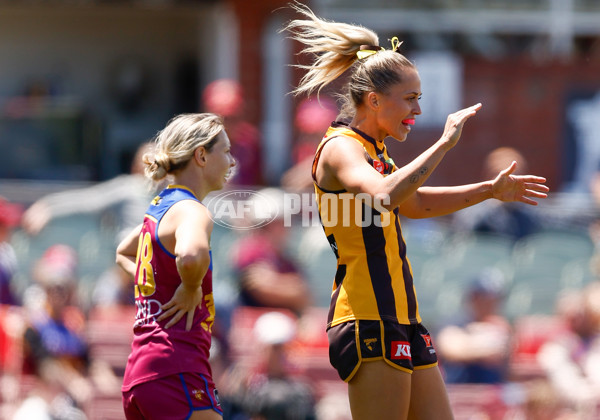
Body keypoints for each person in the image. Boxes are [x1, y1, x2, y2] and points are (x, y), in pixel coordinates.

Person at [283, 3, 550, 419]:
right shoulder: (341, 148)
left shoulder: (377, 152)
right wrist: (443, 143)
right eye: (409, 99)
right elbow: (386, 195)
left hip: (401, 316)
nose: (417, 111)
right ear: (373, 100)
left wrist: (490, 190)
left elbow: (415, 202)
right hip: (367, 316)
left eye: (419, 99)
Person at [116, 113, 236, 420]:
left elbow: (123, 253)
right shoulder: (193, 211)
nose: (231, 161)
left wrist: (160, 283)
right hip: (176, 366)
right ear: (201, 156)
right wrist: (189, 287)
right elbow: (192, 255)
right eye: (225, 151)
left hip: (140, 375)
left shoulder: (160, 207)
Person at [22, 141, 157, 242]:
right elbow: (89, 200)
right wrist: (48, 207)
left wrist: (47, 207)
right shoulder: (131, 186)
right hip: (132, 263)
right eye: (146, 162)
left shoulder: (171, 193)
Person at [436, 269, 512, 384]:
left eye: (494, 298)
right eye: (484, 297)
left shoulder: (499, 325)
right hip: (459, 392)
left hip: (491, 393)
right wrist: (486, 345)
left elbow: (505, 362)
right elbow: (450, 349)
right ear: (472, 297)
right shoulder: (455, 322)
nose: (489, 303)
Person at [452, 146, 542, 240]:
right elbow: (467, 233)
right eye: (503, 179)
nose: (508, 185)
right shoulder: (470, 209)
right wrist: (494, 202)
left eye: (515, 179)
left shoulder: (530, 216)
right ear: (489, 178)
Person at [202, 79, 262, 186]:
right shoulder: (198, 144)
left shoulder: (249, 141)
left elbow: (259, 179)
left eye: (234, 117)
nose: (227, 126)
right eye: (222, 119)